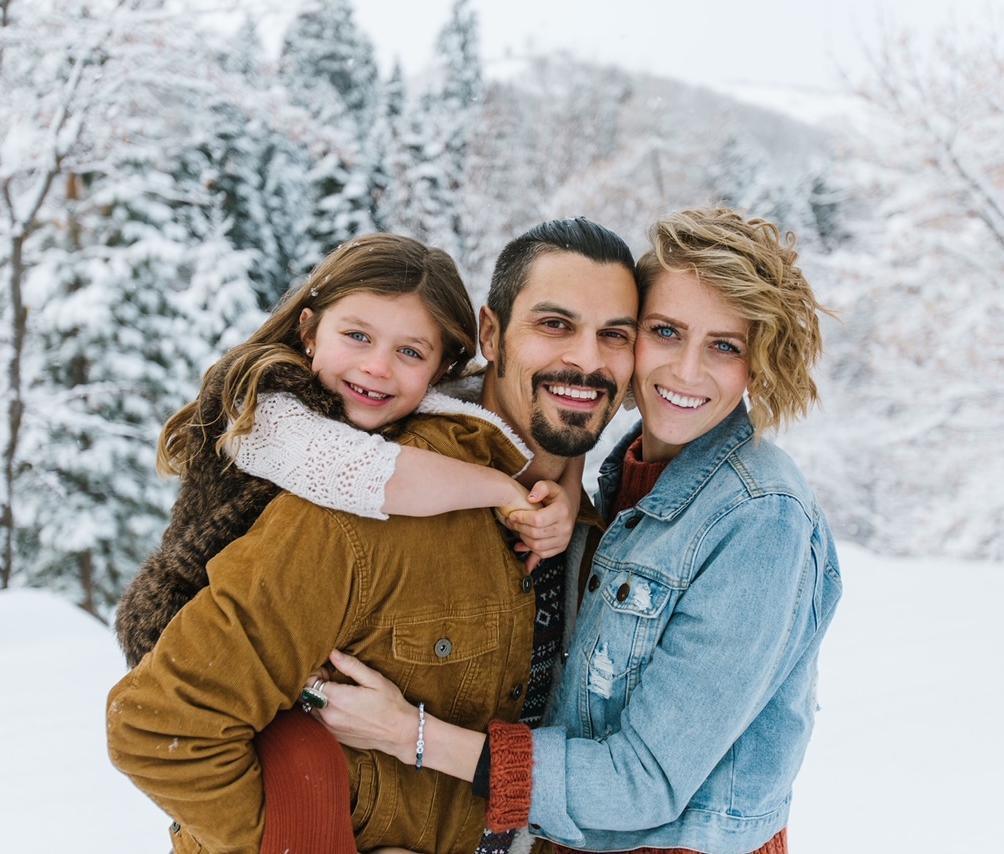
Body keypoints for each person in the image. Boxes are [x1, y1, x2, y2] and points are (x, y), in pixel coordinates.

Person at [312, 207, 843, 854]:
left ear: (757, 366)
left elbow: (645, 782)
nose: (685, 370)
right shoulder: (624, 476)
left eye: (725, 346)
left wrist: (410, 735)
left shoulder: (759, 516)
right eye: (666, 331)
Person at [106, 218, 641, 853]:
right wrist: (316, 841)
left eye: (615, 335)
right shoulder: (358, 499)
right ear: (491, 335)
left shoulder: (593, 532)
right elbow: (161, 729)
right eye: (555, 325)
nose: (585, 358)